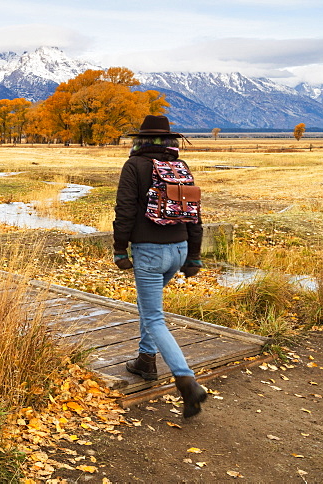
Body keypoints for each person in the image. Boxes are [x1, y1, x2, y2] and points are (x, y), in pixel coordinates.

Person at [112, 114, 208, 418]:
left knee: (154, 317)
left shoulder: (134, 166)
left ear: (139, 139)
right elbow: (194, 213)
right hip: (179, 250)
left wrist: (119, 248)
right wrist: (193, 255)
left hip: (150, 252)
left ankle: (186, 381)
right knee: (147, 305)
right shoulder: (180, 168)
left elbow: (125, 210)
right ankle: (145, 360)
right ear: (170, 141)